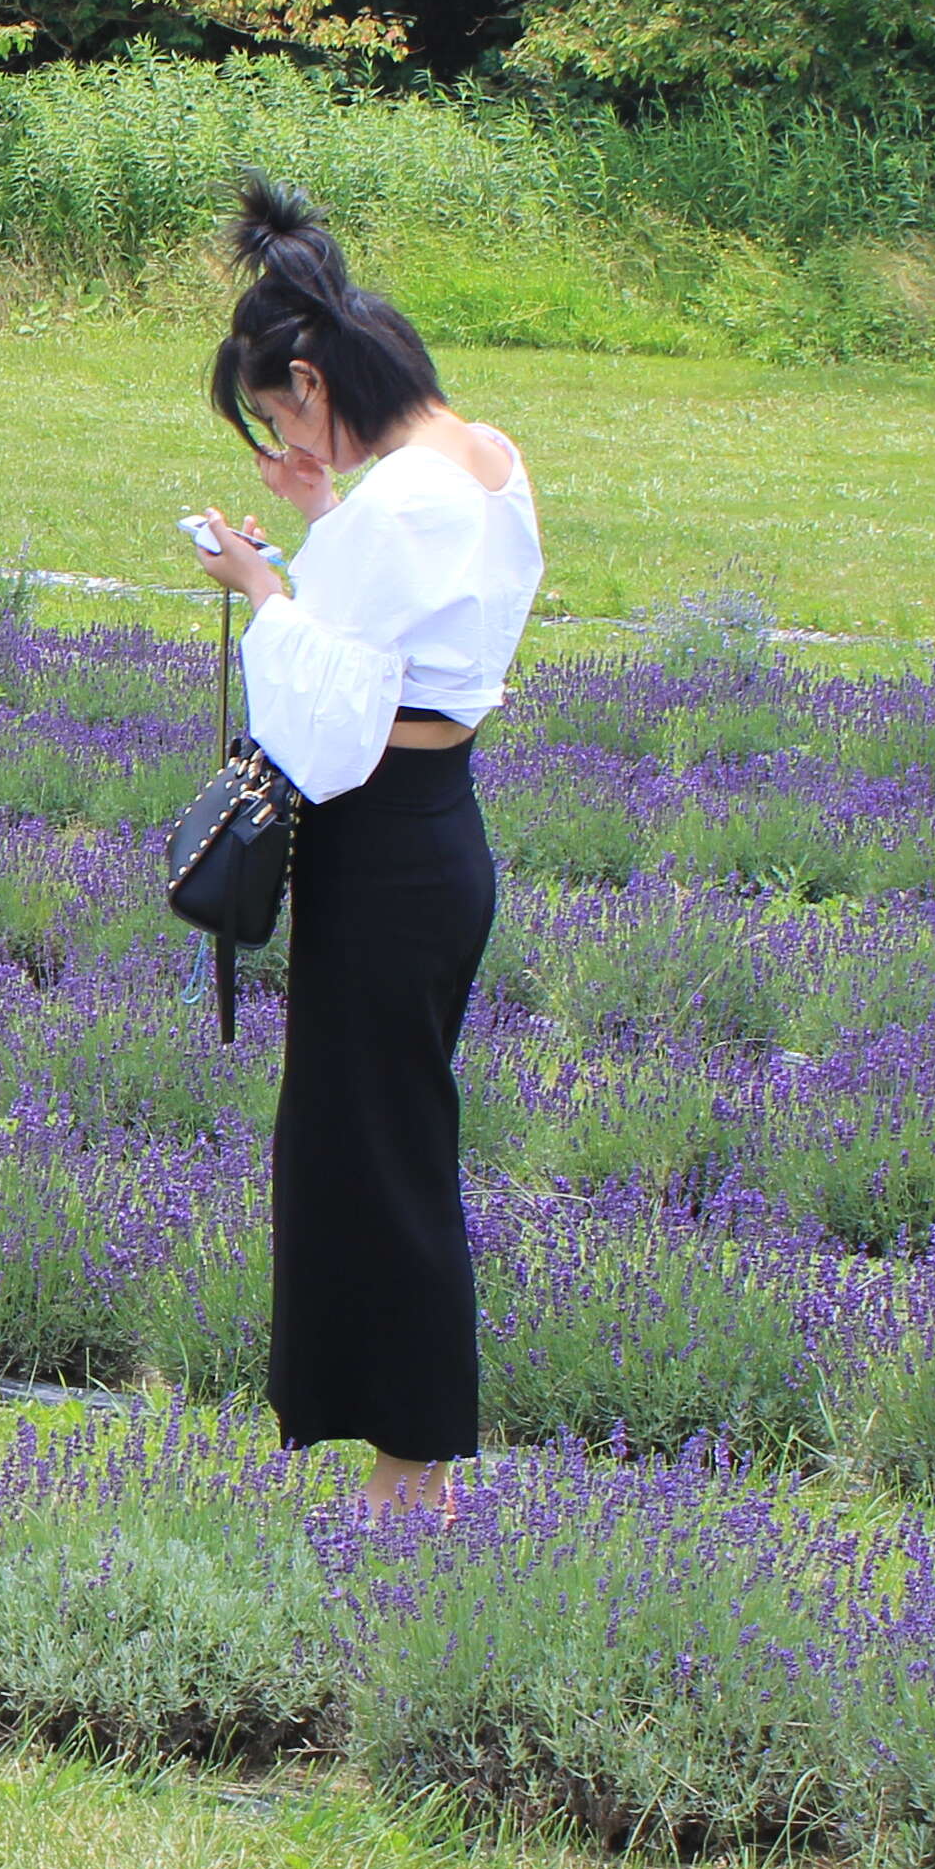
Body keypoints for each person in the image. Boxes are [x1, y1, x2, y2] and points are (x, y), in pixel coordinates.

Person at [177, 177, 542, 1520]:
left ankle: (412, 1482)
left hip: (381, 845)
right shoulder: (477, 461)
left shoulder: (398, 512)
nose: (281, 432)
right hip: (438, 830)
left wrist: (262, 589)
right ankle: (407, 1469)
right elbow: (406, 642)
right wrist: (322, 519)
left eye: (278, 412)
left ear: (316, 377)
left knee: (379, 1157)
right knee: (379, 1142)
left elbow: (325, 725)